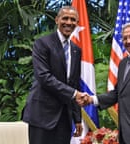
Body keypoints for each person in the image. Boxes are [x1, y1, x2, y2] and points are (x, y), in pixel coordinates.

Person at [22, 6, 85, 144]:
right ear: (57, 20)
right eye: (65, 18)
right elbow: (44, 77)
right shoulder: (42, 43)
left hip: (64, 118)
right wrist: (74, 93)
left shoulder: (76, 50)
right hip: (42, 116)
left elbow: (74, 83)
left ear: (77, 23)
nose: (69, 22)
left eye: (73, 20)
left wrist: (77, 118)